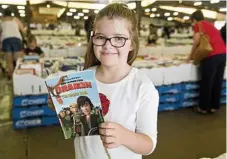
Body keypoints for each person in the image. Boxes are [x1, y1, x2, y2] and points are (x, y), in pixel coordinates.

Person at [48, 3, 159, 159]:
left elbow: (149, 145)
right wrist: (60, 104)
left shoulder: (142, 87)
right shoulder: (83, 78)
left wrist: (125, 137)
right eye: (100, 37)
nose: (108, 46)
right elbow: (76, 122)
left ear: (132, 44)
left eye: (119, 38)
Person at [187, 10, 226, 114]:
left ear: (194, 19)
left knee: (207, 81)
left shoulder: (198, 25)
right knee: (218, 80)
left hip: (211, 55)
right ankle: (214, 106)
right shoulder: (211, 25)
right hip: (223, 54)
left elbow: (196, 42)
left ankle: (203, 107)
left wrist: (190, 57)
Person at [0, 8, 26, 79]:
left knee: (9, 62)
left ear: (4, 14)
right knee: (18, 61)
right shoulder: (15, 20)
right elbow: (23, 31)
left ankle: (11, 78)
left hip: (6, 40)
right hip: (16, 39)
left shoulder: (2, 21)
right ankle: (19, 77)